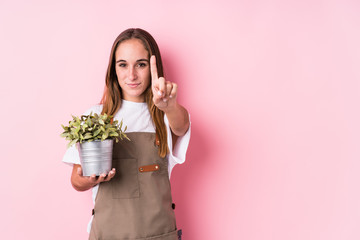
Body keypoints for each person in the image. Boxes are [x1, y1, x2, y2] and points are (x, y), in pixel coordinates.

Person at [62, 28, 191, 240]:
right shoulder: (95, 117)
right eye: (123, 65)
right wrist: (91, 179)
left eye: (140, 65)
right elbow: (76, 180)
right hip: (107, 234)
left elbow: (181, 126)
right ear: (113, 70)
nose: (131, 75)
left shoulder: (165, 115)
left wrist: (168, 106)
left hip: (158, 234)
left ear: (153, 68)